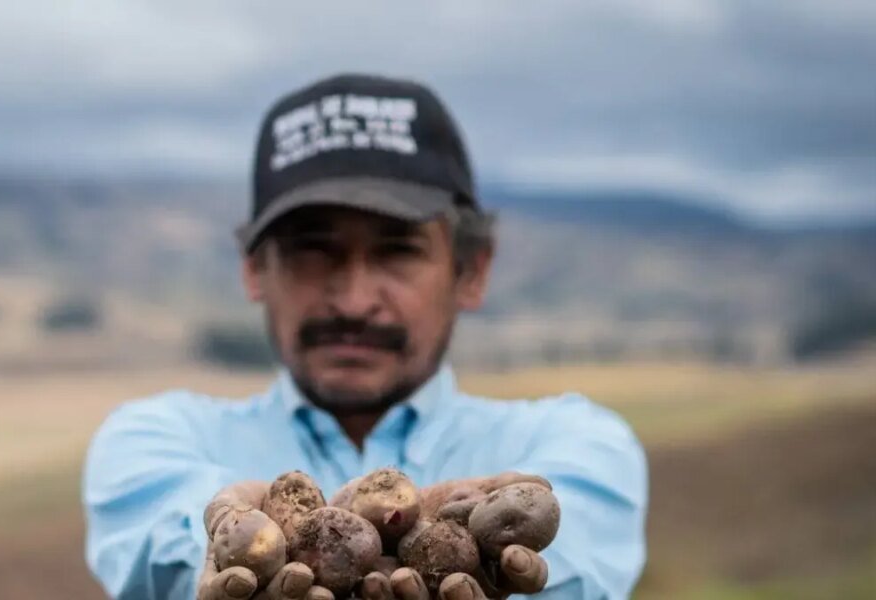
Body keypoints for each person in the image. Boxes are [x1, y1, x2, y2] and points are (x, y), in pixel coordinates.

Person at [83, 73, 648, 600]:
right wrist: (229, 535)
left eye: (397, 251)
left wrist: (491, 561)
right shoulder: (153, 438)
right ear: (254, 269)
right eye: (313, 249)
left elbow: (574, 559)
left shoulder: (578, 441)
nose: (354, 301)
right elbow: (168, 537)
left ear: (471, 272)